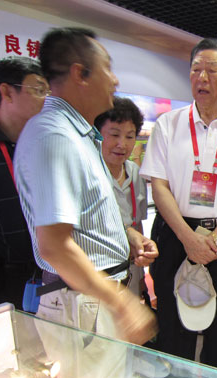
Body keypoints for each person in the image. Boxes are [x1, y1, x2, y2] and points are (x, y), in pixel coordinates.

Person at [14, 27, 157, 344]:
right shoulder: (55, 136)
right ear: (80, 73)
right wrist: (121, 303)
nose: (115, 80)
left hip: (92, 299)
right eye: (107, 68)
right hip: (81, 303)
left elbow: (88, 216)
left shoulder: (78, 135)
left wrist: (129, 236)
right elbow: (54, 244)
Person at [140, 38, 217, 371]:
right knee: (172, 319)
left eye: (212, 70)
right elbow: (159, 186)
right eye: (196, 70)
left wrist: (216, 240)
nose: (202, 78)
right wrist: (188, 238)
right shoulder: (168, 124)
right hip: (175, 233)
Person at [0, 57, 46, 312]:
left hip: (44, 271)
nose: (45, 99)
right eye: (38, 90)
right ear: (6, 92)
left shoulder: (40, 142)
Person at [94, 97, 148, 300]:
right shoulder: (89, 172)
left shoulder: (134, 172)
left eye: (130, 136)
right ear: (97, 133)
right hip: (97, 273)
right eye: (115, 134)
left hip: (130, 268)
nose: (122, 144)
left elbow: (138, 223)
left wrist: (141, 276)